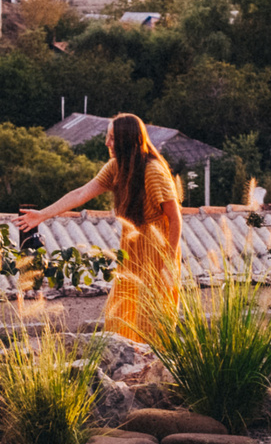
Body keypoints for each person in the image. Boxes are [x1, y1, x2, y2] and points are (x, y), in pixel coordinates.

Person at [16, 113, 183, 344]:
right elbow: (81, 193)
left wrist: (168, 262)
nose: (107, 144)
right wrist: (42, 215)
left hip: (157, 254)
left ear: (127, 140)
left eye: (112, 138)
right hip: (131, 253)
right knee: (119, 318)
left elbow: (175, 218)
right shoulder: (117, 167)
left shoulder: (153, 172)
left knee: (150, 325)